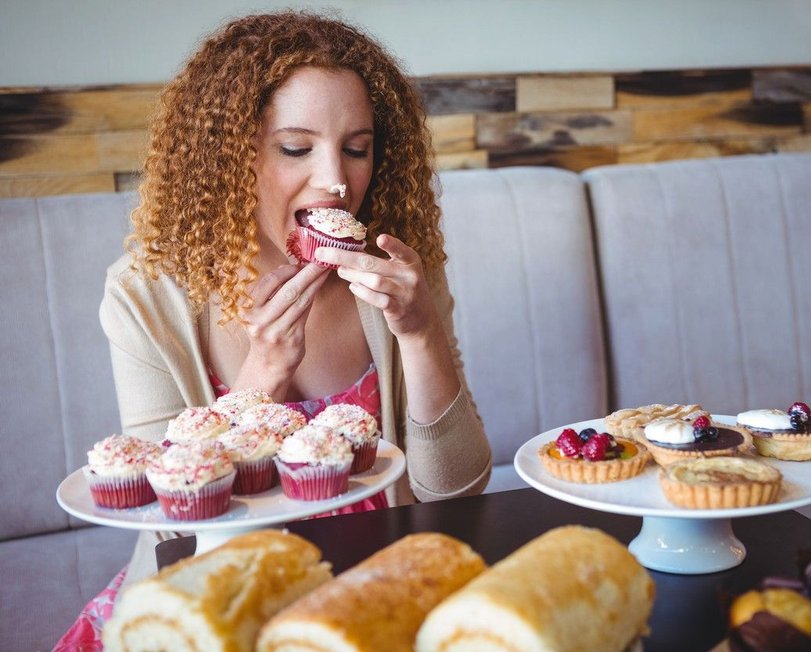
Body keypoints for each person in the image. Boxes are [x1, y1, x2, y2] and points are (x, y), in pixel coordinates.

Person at [56, 11, 491, 648]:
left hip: (374, 591)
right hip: (216, 601)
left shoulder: (397, 276)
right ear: (232, 154)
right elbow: (171, 524)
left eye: (356, 147)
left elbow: (456, 490)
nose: (337, 181)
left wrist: (421, 335)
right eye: (296, 148)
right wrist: (258, 380)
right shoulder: (144, 296)